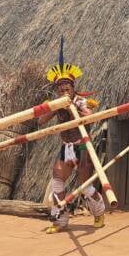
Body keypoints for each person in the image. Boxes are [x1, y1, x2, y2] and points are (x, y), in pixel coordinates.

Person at [37, 39, 106, 233]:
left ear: (73, 88)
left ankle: (99, 212)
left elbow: (90, 118)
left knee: (85, 186)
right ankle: (61, 220)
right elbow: (41, 121)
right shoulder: (55, 103)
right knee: (57, 181)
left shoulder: (81, 101)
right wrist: (54, 107)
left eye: (67, 88)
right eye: (60, 88)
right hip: (66, 147)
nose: (64, 91)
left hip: (82, 146)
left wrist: (74, 107)